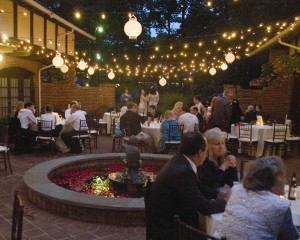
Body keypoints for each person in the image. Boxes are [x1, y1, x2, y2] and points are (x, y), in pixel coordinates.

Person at [149, 132, 230, 240]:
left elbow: (197, 187)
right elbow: (204, 207)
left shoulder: (180, 160)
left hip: (171, 219)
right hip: (172, 230)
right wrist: (227, 203)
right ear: (200, 152)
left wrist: (219, 194)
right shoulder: (183, 171)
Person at [213, 156, 300, 240]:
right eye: (284, 176)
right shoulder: (280, 205)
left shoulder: (236, 190)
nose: (286, 181)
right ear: (276, 179)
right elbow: (292, 237)